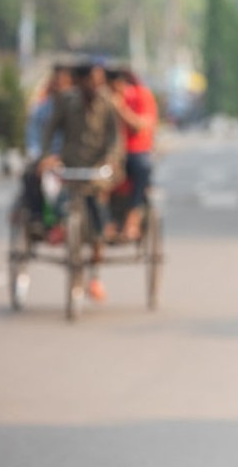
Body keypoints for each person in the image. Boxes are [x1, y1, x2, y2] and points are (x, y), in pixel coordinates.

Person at [39, 61, 123, 301]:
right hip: (71, 165)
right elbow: (49, 130)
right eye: (92, 81)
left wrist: (112, 160)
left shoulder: (107, 102)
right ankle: (57, 226)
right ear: (82, 81)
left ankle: (95, 273)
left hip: (98, 168)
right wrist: (46, 157)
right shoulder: (66, 101)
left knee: (97, 212)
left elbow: (115, 139)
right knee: (55, 193)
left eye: (99, 81)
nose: (97, 85)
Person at [22, 64, 73, 237]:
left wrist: (61, 157)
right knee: (30, 174)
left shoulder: (78, 108)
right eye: (57, 83)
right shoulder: (43, 108)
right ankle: (39, 218)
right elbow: (34, 135)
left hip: (72, 158)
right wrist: (42, 156)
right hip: (46, 156)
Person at [108, 68, 158, 241]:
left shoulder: (140, 96)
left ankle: (133, 218)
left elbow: (139, 125)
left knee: (142, 167)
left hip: (135, 151)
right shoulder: (102, 98)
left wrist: (120, 108)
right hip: (109, 153)